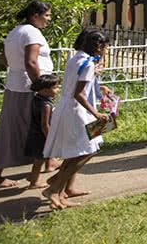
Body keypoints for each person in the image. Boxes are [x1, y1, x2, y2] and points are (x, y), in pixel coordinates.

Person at [0, 0, 55, 189]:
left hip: (15, 86)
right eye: (47, 15)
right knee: (40, 127)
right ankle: (37, 174)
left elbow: (3, 60)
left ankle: (49, 161)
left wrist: (17, 70)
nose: (48, 19)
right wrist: (41, 87)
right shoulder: (32, 33)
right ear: (35, 15)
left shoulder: (15, 31)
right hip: (29, 89)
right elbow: (31, 62)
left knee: (10, 130)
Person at [41, 30, 109, 210]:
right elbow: (78, 94)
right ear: (98, 47)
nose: (105, 51)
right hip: (77, 111)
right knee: (85, 151)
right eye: (105, 47)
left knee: (82, 151)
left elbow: (76, 85)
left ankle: (59, 187)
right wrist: (96, 113)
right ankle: (55, 187)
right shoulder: (87, 63)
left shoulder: (76, 59)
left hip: (68, 108)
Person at [24, 74, 58, 189]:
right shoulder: (46, 105)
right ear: (45, 90)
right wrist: (50, 139)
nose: (57, 90)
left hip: (34, 133)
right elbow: (45, 124)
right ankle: (34, 181)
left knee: (39, 159)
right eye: (55, 88)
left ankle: (33, 176)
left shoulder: (36, 98)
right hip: (41, 136)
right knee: (39, 160)